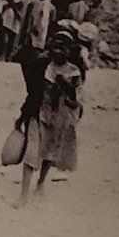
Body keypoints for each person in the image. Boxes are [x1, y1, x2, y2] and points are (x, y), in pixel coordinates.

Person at [15, 30, 83, 205]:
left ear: (70, 50)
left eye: (63, 48)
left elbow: (77, 101)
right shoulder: (42, 65)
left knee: (49, 152)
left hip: (60, 118)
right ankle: (23, 194)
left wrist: (67, 86)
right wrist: (23, 115)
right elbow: (32, 91)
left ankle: (41, 183)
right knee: (32, 152)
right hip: (38, 114)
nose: (58, 51)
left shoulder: (75, 72)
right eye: (56, 47)